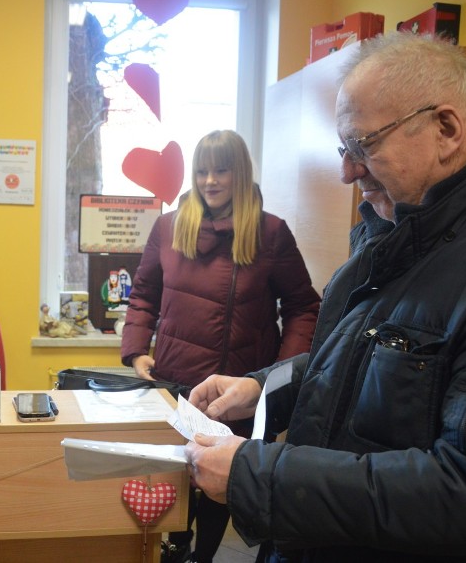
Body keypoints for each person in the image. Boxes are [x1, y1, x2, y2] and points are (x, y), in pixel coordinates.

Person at [185, 32, 466, 562]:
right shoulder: (395, 231)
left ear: (446, 129)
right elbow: (361, 363)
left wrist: (258, 476)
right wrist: (263, 387)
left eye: (363, 146)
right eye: (344, 149)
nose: (346, 172)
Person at [121, 130, 321, 563]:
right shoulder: (168, 227)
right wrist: (137, 349)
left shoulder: (270, 233)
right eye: (202, 170)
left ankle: (203, 557)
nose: (210, 180)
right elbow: (143, 294)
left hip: (236, 395)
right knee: (172, 488)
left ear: (240, 173)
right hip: (174, 385)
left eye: (221, 170)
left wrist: (280, 375)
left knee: (219, 487)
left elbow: (304, 307)